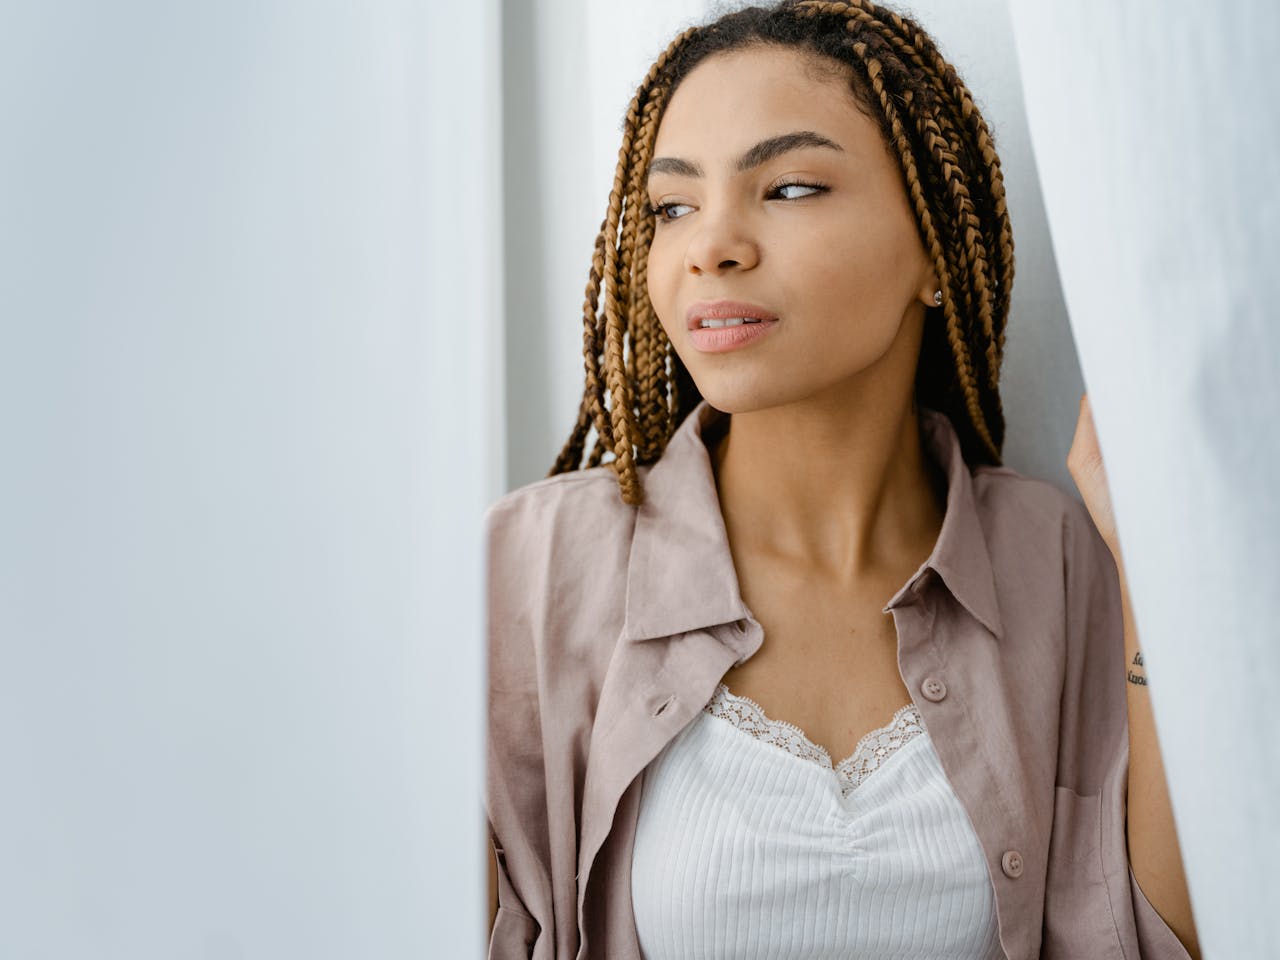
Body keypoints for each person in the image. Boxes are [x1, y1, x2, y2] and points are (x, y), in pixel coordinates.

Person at [486, 1, 1200, 957]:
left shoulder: (1059, 554)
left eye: (786, 189)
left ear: (937, 249)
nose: (711, 246)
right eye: (672, 206)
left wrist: (1159, 556)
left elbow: (1146, 938)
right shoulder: (528, 566)